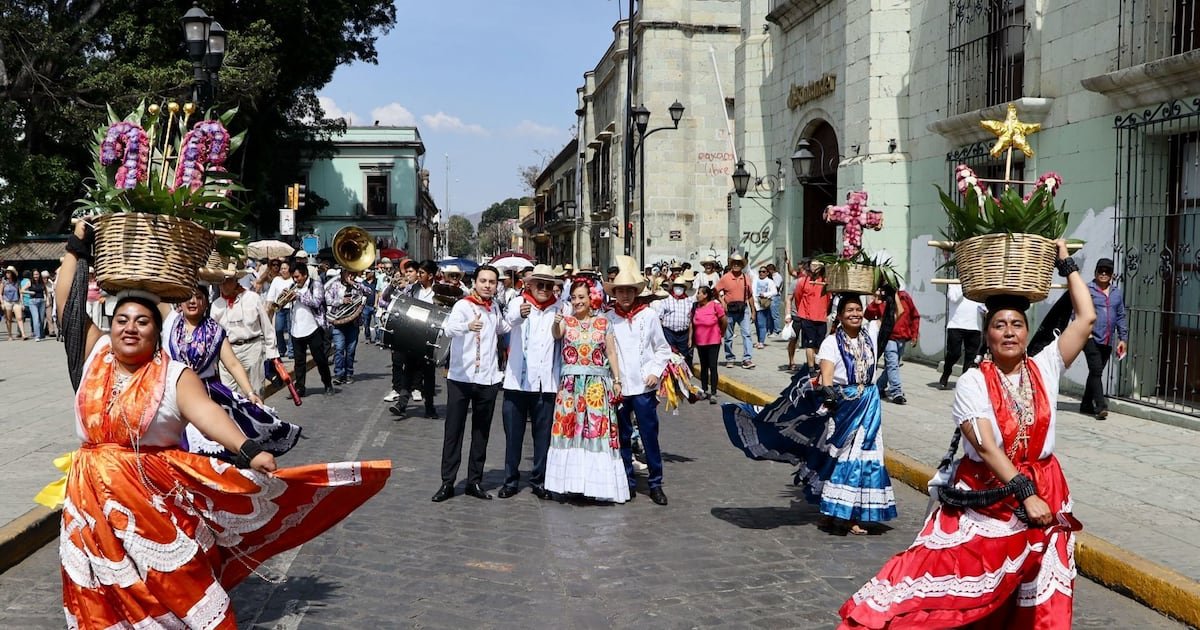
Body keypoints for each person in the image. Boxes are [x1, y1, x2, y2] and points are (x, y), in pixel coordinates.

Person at [53, 220, 389, 629]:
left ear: (156, 332)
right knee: (97, 594)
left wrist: (249, 449)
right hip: (88, 503)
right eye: (122, 319)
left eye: (142, 321)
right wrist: (76, 246)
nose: (130, 328)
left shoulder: (173, 374)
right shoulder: (97, 354)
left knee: (172, 587)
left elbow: (208, 414)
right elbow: (67, 304)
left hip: (150, 503)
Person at [839, 241, 1095, 628]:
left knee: (1041, 588)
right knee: (961, 589)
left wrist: (1067, 264)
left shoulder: (1045, 367)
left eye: (1017, 325)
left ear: (1027, 332)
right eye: (999, 325)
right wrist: (1025, 493)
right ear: (986, 334)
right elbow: (987, 447)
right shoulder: (973, 382)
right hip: (989, 493)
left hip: (1046, 487)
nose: (1009, 332)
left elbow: (1086, 318)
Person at [162, 285, 302, 460]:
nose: (193, 302)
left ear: (206, 303)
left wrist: (250, 393)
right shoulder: (170, 322)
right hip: (174, 392)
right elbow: (154, 294)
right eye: (188, 297)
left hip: (207, 393)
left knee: (212, 446)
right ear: (179, 301)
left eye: (198, 297)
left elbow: (233, 364)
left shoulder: (215, 330)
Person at [807, 293, 898, 535]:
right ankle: (833, 512)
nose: (855, 314)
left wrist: (891, 294)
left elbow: (893, 318)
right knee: (842, 458)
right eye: (849, 310)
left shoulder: (870, 334)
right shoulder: (831, 342)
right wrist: (829, 398)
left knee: (864, 458)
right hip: (845, 407)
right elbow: (827, 378)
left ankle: (850, 514)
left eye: (858, 309)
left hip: (869, 404)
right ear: (839, 316)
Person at [544, 278, 628, 502]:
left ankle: (596, 487)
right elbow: (557, 334)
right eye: (573, 298)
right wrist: (556, 323)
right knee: (570, 432)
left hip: (595, 387)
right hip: (571, 387)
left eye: (581, 297)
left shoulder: (603, 323)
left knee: (595, 432)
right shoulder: (567, 321)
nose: (577, 301)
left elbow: (611, 352)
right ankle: (570, 484)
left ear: (592, 298)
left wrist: (617, 380)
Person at [432, 265, 510, 502]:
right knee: (454, 431)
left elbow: (503, 327)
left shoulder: (494, 307)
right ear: (475, 282)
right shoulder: (463, 306)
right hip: (461, 378)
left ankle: (474, 481)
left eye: (492, 282)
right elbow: (448, 329)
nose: (487, 285)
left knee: (481, 432)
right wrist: (467, 326)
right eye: (483, 281)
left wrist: (521, 314)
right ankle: (447, 482)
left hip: (488, 378)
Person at [605, 256, 673, 505]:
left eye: (629, 290)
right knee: (622, 436)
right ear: (615, 293)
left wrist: (655, 371)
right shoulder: (608, 319)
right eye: (620, 291)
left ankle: (655, 483)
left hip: (644, 386)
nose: (625, 295)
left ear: (636, 292)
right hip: (620, 386)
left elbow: (662, 349)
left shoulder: (649, 316)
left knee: (649, 435)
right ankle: (627, 481)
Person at [497, 265, 562, 500]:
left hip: (546, 384)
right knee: (513, 436)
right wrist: (519, 315)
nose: (544, 289)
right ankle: (510, 480)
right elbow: (507, 322)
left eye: (548, 285)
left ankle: (539, 480)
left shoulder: (560, 308)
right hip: (518, 382)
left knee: (543, 437)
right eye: (539, 285)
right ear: (530, 285)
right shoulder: (518, 303)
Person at [210, 263, 279, 396]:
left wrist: (272, 352)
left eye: (228, 281)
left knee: (255, 391)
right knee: (228, 394)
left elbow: (267, 326)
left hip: (252, 348)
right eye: (221, 282)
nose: (224, 285)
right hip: (228, 352)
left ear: (235, 281)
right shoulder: (216, 305)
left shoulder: (252, 298)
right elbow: (213, 335)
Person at [385, 260, 439, 419]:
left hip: (429, 336)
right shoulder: (412, 289)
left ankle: (430, 407)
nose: (418, 275)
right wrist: (393, 285)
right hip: (413, 334)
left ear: (430, 275)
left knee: (428, 374)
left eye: (422, 273)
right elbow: (390, 299)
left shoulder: (439, 291)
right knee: (408, 370)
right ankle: (401, 404)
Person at [1080, 257, 1127, 420]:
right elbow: (1076, 312)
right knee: (1097, 370)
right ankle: (1101, 406)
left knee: (1095, 372)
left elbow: (1120, 316)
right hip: (1090, 337)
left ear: (1112, 275)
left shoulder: (1116, 293)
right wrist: (1086, 332)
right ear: (1095, 272)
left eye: (1107, 271)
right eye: (1101, 270)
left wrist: (1123, 338)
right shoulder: (1087, 290)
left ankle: (1086, 404)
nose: (1104, 274)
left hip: (1107, 339)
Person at [866, 282, 919, 405]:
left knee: (892, 366)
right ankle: (897, 392)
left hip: (902, 337)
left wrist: (914, 334)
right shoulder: (883, 300)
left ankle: (879, 386)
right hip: (888, 337)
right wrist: (875, 302)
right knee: (892, 365)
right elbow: (868, 314)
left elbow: (914, 316)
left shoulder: (905, 297)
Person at [289, 264, 335, 397]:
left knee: (320, 359)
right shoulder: (293, 287)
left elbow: (316, 302)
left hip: (313, 327)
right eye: (293, 277)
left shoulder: (316, 284)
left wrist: (298, 296)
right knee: (299, 362)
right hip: (296, 329)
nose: (295, 280)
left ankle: (327, 384)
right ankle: (300, 388)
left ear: (305, 275)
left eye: (297, 277)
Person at [787, 260, 830, 372]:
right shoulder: (803, 281)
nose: (815, 268)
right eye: (813, 265)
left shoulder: (826, 281)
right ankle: (811, 367)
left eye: (817, 265)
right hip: (807, 317)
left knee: (819, 344)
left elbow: (829, 299)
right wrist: (803, 310)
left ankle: (816, 363)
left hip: (821, 317)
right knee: (810, 343)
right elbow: (798, 297)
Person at [940, 283, 985, 389]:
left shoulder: (979, 283)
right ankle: (946, 372)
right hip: (956, 324)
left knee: (971, 357)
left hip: (975, 326)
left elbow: (984, 305)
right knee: (954, 353)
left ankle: (964, 381)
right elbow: (954, 298)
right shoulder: (955, 284)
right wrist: (964, 286)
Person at [325, 267, 364, 385]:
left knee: (350, 351)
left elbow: (369, 292)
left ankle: (349, 373)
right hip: (338, 322)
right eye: (348, 273)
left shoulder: (358, 285)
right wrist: (341, 301)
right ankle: (338, 374)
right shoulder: (334, 285)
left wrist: (353, 284)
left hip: (353, 323)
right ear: (343, 274)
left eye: (353, 273)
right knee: (339, 348)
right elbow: (327, 299)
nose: (351, 276)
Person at [717, 252, 755, 369]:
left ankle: (747, 359)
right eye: (734, 263)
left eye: (738, 263)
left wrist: (753, 311)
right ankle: (730, 358)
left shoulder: (746, 278)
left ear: (742, 265)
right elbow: (715, 291)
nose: (736, 265)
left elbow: (750, 295)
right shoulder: (726, 278)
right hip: (729, 310)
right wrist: (723, 302)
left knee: (747, 334)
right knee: (728, 336)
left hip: (743, 309)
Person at [691, 286, 726, 404]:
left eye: (699, 293)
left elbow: (724, 320)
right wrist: (691, 339)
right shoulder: (695, 307)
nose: (697, 295)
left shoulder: (715, 305)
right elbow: (692, 323)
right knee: (703, 366)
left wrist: (721, 333)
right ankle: (704, 390)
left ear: (705, 295)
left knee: (712, 366)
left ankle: (714, 392)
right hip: (700, 341)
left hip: (713, 341)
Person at [657, 272, 695, 361]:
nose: (678, 288)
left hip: (683, 334)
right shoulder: (666, 300)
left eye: (681, 286)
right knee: (670, 357)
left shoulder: (689, 301)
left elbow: (691, 321)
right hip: (669, 333)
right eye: (677, 286)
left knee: (684, 357)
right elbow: (659, 319)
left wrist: (690, 338)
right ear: (673, 287)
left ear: (684, 288)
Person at [264, 260, 294, 359]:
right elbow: (271, 294)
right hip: (280, 308)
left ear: (289, 269)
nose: (283, 270)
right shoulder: (276, 280)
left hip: (290, 308)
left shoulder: (293, 280)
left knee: (291, 330)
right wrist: (268, 306)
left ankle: (291, 351)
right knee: (278, 329)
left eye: (285, 268)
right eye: (282, 269)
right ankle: (281, 349)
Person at [752, 265, 778, 349]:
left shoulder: (770, 281)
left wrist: (765, 294)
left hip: (763, 305)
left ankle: (762, 342)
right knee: (756, 324)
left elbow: (775, 292)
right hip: (754, 305)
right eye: (760, 271)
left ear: (767, 273)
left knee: (761, 324)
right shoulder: (755, 280)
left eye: (763, 272)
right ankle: (759, 341)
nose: (761, 273)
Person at [22, 269, 47, 341]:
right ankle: (37, 336)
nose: (36, 276)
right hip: (33, 302)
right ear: (32, 275)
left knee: (41, 319)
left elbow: (46, 291)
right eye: (34, 275)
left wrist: (47, 299)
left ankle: (41, 334)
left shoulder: (42, 282)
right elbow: (22, 290)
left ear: (39, 275)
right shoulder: (30, 282)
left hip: (42, 301)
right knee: (36, 319)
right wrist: (30, 292)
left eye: (37, 274)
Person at [2, 266, 23, 340]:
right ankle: (10, 335)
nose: (7, 274)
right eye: (7, 273)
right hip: (7, 302)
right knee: (9, 319)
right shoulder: (4, 282)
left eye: (9, 273)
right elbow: (0, 293)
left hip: (16, 301)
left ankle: (23, 334)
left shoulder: (17, 282)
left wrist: (22, 302)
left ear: (12, 274)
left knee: (19, 318)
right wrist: (2, 303)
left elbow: (20, 292)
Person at [767, 263, 784, 335]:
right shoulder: (771, 277)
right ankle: (770, 329)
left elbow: (776, 287)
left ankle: (777, 329)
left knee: (775, 314)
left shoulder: (777, 277)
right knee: (770, 315)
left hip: (775, 297)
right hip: (770, 296)